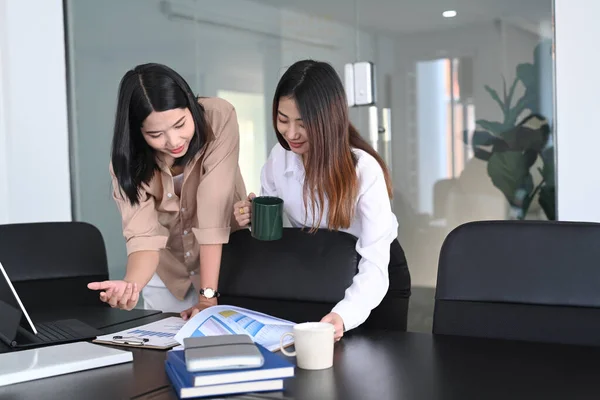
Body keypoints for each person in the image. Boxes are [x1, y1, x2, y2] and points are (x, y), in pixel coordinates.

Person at [233, 60, 410, 341]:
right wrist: (254, 219)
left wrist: (345, 314)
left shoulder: (363, 169)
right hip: (319, 269)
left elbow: (375, 261)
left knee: (375, 364)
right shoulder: (279, 158)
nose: (290, 134)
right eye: (283, 119)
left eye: (303, 123)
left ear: (328, 119)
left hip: (374, 273)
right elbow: (277, 232)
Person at [87, 63, 246, 320]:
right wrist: (131, 287)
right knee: (161, 352)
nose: (173, 141)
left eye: (180, 124)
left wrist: (207, 297)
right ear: (138, 133)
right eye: (156, 134)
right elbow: (143, 238)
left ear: (190, 107)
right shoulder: (127, 163)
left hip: (227, 266)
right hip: (169, 275)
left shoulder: (218, 116)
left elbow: (213, 207)